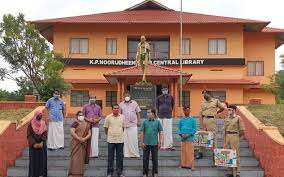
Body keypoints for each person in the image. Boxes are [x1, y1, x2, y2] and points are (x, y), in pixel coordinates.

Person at [198, 90, 225, 159]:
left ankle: (214, 153)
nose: (204, 95)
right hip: (204, 119)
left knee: (212, 136)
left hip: (211, 120)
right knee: (202, 136)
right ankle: (200, 152)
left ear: (209, 94)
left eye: (205, 94)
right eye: (203, 94)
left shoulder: (216, 101)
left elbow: (222, 108)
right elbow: (200, 113)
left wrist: (217, 112)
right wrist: (201, 124)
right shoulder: (203, 102)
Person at [104, 104, 126, 177]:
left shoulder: (122, 117)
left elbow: (123, 128)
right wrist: (109, 134)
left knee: (120, 157)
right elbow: (106, 128)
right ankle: (109, 173)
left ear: (119, 109)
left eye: (117, 108)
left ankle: (119, 172)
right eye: (114, 108)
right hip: (111, 140)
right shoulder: (108, 117)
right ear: (112, 109)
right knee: (110, 157)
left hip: (120, 140)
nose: (116, 109)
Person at [223, 105, 245, 177]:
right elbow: (224, 129)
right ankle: (230, 172)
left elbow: (242, 130)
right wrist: (224, 140)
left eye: (230, 109)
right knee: (228, 153)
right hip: (227, 136)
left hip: (235, 136)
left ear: (234, 110)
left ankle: (238, 172)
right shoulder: (227, 118)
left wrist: (237, 137)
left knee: (235, 154)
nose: (229, 111)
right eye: (228, 109)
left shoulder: (238, 118)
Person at [140, 109, 163, 177]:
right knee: (145, 159)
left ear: (153, 113)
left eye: (149, 112)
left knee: (155, 159)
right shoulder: (144, 122)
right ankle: (145, 173)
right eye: (147, 112)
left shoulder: (157, 122)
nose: (148, 114)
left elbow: (160, 132)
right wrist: (142, 142)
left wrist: (160, 142)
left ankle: (155, 173)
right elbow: (142, 132)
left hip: (154, 143)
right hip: (146, 144)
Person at [68, 111, 91, 177]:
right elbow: (72, 132)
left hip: (83, 144)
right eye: (80, 115)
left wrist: (84, 139)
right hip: (76, 143)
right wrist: (79, 138)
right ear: (77, 117)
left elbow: (89, 134)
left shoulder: (87, 124)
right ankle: (73, 174)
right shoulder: (75, 123)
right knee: (75, 159)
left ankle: (80, 174)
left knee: (81, 159)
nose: (81, 116)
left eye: (82, 115)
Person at [119, 91, 141, 158]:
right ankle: (126, 154)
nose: (127, 97)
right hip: (125, 125)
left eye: (128, 96)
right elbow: (119, 115)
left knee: (134, 139)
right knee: (126, 140)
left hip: (133, 124)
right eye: (125, 96)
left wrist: (139, 121)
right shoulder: (121, 104)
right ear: (123, 96)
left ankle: (134, 154)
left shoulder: (134, 103)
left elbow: (138, 112)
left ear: (130, 96)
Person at [27, 110, 47, 177]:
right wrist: (34, 144)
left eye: (41, 114)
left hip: (42, 147)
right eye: (38, 114)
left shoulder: (44, 123)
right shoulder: (30, 124)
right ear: (35, 115)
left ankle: (42, 175)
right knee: (33, 163)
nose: (40, 115)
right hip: (33, 148)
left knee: (42, 162)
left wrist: (42, 142)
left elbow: (45, 134)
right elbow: (29, 135)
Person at [155, 84, 175, 150]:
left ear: (168, 90)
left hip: (168, 116)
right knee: (160, 130)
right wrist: (157, 114)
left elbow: (172, 105)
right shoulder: (159, 97)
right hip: (160, 116)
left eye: (166, 89)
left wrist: (169, 110)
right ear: (162, 90)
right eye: (163, 90)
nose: (165, 91)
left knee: (168, 131)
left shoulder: (171, 97)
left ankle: (168, 145)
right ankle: (160, 144)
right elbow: (157, 106)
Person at [178, 106, 197, 170]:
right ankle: (183, 164)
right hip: (183, 138)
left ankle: (191, 165)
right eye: (186, 110)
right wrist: (181, 135)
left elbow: (195, 129)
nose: (187, 111)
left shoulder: (193, 120)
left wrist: (189, 135)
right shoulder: (181, 120)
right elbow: (179, 129)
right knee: (183, 152)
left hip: (190, 138)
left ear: (190, 111)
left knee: (190, 152)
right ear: (183, 111)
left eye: (188, 110)